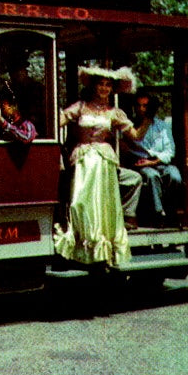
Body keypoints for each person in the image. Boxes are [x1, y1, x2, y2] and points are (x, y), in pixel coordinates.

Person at [54, 66, 145, 268]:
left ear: (112, 89)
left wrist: (148, 118)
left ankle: (102, 252)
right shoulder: (80, 107)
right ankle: (82, 249)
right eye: (100, 84)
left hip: (103, 160)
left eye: (108, 85)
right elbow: (56, 123)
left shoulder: (115, 112)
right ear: (93, 86)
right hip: (84, 158)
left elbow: (136, 135)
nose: (104, 88)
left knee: (103, 204)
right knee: (80, 202)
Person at [122, 93, 183, 226]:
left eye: (145, 106)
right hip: (142, 163)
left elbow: (170, 151)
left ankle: (172, 211)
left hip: (161, 162)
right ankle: (158, 214)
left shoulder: (162, 126)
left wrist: (154, 161)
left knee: (175, 176)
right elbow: (127, 150)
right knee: (152, 176)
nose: (141, 109)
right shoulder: (129, 127)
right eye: (138, 106)